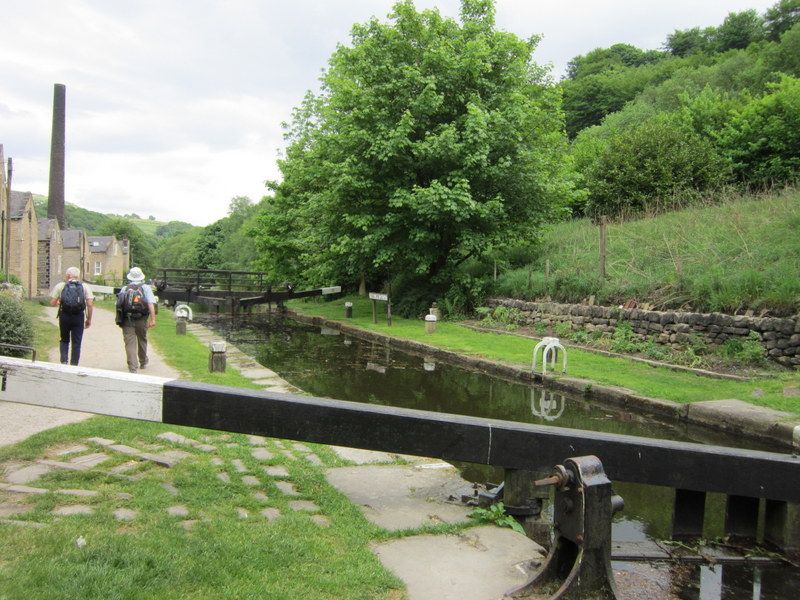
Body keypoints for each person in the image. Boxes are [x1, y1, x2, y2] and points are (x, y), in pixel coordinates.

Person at [50, 266, 94, 365]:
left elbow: (52, 303)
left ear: (68, 275)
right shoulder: (84, 286)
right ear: (78, 276)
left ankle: (64, 361)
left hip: (64, 315)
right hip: (78, 316)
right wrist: (89, 319)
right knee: (76, 342)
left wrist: (59, 303)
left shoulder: (61, 286)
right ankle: (74, 364)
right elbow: (90, 304)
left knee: (64, 339)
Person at [117, 266, 157, 373]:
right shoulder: (145, 288)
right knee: (142, 339)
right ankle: (143, 361)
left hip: (127, 319)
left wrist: (119, 319)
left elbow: (119, 305)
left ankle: (132, 367)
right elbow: (150, 304)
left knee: (129, 343)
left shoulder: (124, 289)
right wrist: (153, 319)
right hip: (141, 319)